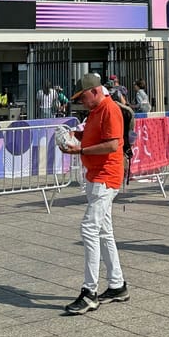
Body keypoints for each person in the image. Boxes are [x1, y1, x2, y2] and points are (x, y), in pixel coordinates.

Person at [57, 73, 128, 314]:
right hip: (98, 176)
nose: (82, 102)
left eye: (83, 97)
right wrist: (74, 137)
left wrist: (80, 149)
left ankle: (90, 291)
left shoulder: (109, 110)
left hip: (106, 176)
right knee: (104, 231)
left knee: (89, 228)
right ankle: (117, 285)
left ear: (95, 91)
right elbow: (95, 136)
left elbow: (112, 144)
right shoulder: (97, 110)